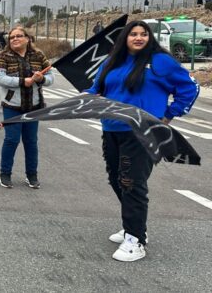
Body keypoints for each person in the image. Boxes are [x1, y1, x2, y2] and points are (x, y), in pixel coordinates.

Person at [85, 20, 198, 262]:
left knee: (132, 182)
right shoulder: (112, 61)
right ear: (125, 38)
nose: (138, 38)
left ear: (150, 38)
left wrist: (168, 115)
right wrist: (82, 100)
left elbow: (189, 88)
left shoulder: (161, 61)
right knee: (117, 178)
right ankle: (132, 226)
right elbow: (96, 89)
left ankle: (136, 239)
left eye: (143, 34)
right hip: (112, 128)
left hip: (143, 132)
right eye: (133, 34)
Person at [0, 26, 54, 189]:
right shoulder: (5, 56)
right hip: (12, 106)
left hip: (34, 107)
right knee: (11, 140)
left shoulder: (38, 55)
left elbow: (50, 77)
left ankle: (31, 175)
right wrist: (22, 81)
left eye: (19, 36)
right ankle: (5, 173)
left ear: (28, 38)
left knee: (31, 141)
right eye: (11, 37)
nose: (14, 39)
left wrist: (41, 79)